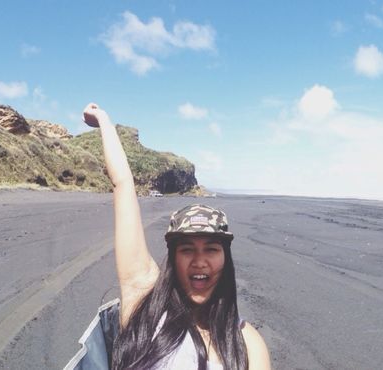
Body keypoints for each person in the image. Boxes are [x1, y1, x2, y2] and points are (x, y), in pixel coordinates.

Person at [82, 103, 271, 370]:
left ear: (225, 258)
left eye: (211, 249)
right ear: (172, 258)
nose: (199, 261)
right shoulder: (146, 307)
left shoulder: (247, 343)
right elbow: (123, 183)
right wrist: (104, 121)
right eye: (187, 249)